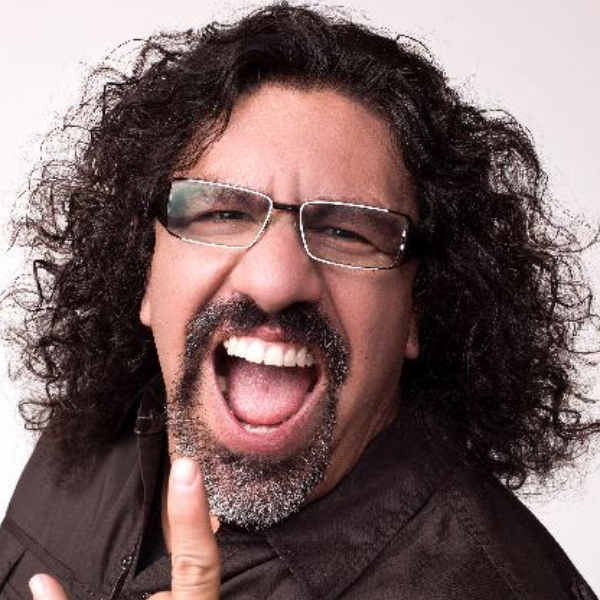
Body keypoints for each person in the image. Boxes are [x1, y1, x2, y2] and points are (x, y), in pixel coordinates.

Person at [1, 3, 598, 599]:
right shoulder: (83, 438)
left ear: (417, 306)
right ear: (146, 273)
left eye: (347, 232)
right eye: (223, 213)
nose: (275, 282)